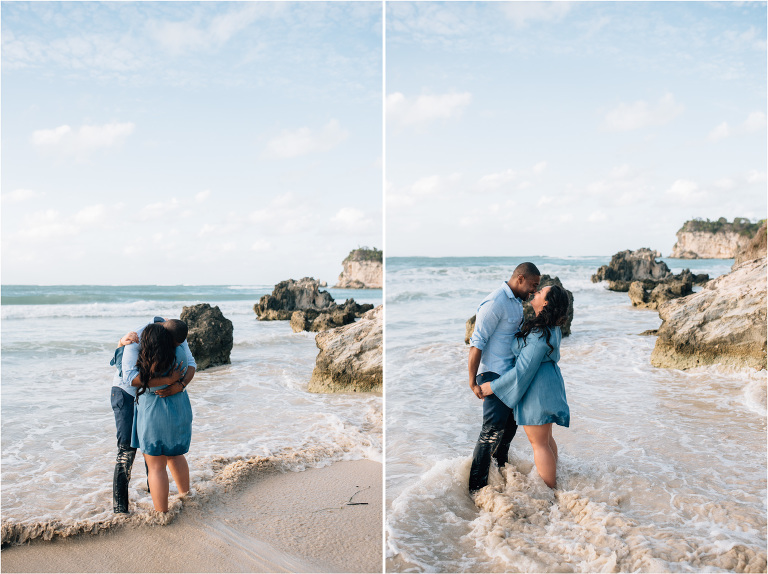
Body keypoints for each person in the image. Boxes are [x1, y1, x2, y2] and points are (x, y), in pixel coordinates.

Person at [479, 285, 570, 488]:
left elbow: (523, 370)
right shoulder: (550, 327)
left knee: (539, 444)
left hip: (538, 391)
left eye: (540, 293)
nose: (535, 293)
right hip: (549, 385)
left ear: (546, 302)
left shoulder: (539, 333)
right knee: (545, 440)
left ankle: (550, 491)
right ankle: (556, 481)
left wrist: (492, 387)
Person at [109, 316, 196, 514]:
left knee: (155, 457)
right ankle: (120, 510)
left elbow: (192, 363)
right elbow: (129, 377)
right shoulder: (136, 340)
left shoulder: (176, 338)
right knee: (127, 451)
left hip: (149, 400)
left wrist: (179, 384)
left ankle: (157, 499)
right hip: (126, 393)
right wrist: (121, 343)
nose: (175, 347)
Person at [467, 262, 541, 493]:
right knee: (490, 432)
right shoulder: (495, 302)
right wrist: (472, 380)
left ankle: (499, 477)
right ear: (520, 278)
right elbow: (477, 342)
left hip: (509, 376)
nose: (534, 290)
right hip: (492, 373)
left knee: (508, 430)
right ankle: (476, 489)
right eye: (533, 285)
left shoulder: (517, 303)